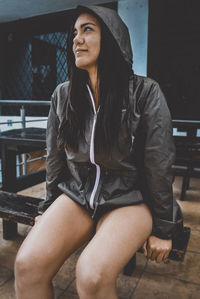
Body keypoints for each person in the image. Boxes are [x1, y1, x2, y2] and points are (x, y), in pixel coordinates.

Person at [14, 5, 183, 299]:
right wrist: (49, 206)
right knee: (27, 265)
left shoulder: (144, 93)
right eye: (74, 33)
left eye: (87, 30)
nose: (76, 39)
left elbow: (159, 164)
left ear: (113, 38)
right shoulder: (64, 95)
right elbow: (55, 159)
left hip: (130, 199)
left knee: (91, 275)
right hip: (79, 194)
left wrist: (164, 229)